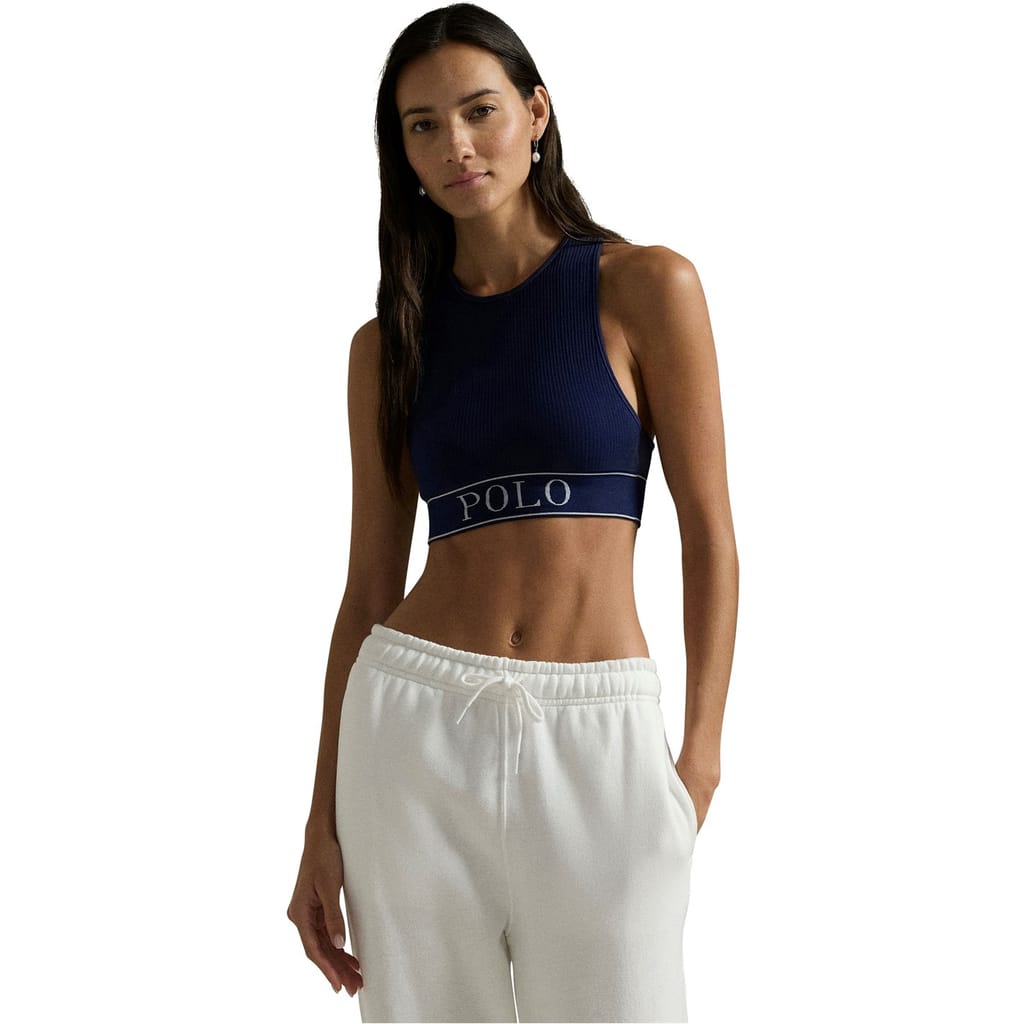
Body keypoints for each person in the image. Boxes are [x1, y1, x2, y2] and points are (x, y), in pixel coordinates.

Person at [287, 4, 738, 1021]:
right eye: (423, 125)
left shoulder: (645, 286)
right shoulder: (387, 347)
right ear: (402, 154)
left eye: (479, 110)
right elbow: (367, 589)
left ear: (536, 114)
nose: (456, 143)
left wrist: (698, 763)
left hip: (599, 734)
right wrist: (320, 821)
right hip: (412, 731)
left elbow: (710, 535)